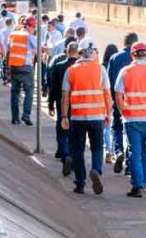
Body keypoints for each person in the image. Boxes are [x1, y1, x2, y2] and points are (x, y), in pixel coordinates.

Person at [113, 42, 146, 197]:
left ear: (132, 55)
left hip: (131, 119)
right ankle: (144, 179)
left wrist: (123, 112)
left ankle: (137, 185)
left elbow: (118, 95)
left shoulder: (125, 71)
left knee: (134, 152)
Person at [60, 38, 112, 195]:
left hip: (77, 117)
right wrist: (108, 113)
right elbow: (107, 93)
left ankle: (80, 183)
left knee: (78, 150)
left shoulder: (71, 70)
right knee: (97, 147)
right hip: (97, 116)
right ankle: (96, 169)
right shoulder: (100, 69)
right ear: (93, 52)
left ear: (79, 53)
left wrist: (64, 116)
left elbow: (65, 96)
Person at [107, 33, 139, 172]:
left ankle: (118, 151)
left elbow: (108, 82)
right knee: (132, 133)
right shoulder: (143, 58)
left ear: (124, 42)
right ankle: (128, 163)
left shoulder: (115, 57)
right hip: (136, 102)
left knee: (117, 128)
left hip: (118, 99)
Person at [48, 42, 80, 172]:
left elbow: (53, 87)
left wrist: (50, 104)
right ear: (77, 52)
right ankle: (71, 156)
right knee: (74, 133)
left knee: (62, 130)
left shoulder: (59, 66)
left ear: (67, 52)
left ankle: (64, 153)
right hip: (78, 103)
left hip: (61, 102)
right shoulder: (80, 68)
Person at [7, 19, 38, 125]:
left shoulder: (13, 34)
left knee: (15, 93)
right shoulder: (29, 37)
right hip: (25, 67)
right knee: (29, 91)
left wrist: (8, 67)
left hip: (14, 66)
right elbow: (38, 48)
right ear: (29, 26)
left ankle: (15, 118)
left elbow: (9, 50)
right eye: (34, 27)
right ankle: (26, 116)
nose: (34, 30)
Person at [100, 44, 120, 166]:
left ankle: (107, 149)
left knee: (106, 127)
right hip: (115, 96)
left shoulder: (103, 67)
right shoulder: (117, 65)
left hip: (103, 98)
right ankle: (113, 150)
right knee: (113, 126)